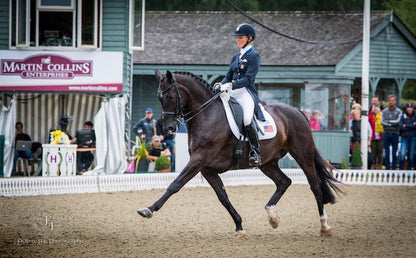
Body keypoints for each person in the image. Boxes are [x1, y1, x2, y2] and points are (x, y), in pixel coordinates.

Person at [218, 23, 263, 167]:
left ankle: (255, 151)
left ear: (249, 38)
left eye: (241, 37)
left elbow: (249, 79)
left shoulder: (253, 56)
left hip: (245, 92)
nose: (238, 40)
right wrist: (221, 84)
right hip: (231, 91)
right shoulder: (235, 56)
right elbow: (228, 75)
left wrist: (231, 85)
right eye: (237, 37)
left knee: (247, 119)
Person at [381, 95, 402, 170]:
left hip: (395, 133)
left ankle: (393, 168)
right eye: (390, 100)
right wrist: (392, 122)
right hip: (386, 132)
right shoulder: (384, 111)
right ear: (388, 101)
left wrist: (388, 121)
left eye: (393, 100)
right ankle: (387, 168)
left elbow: (398, 122)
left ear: (395, 101)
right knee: (386, 152)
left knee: (394, 153)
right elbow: (382, 122)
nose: (391, 102)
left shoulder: (399, 111)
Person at [398, 103, 416, 170]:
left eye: (410, 107)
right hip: (404, 137)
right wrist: (411, 125)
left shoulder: (415, 116)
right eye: (408, 107)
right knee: (402, 154)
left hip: (413, 137)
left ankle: (409, 170)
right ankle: (400, 170)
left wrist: (406, 125)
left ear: (412, 108)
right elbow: (400, 126)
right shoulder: (403, 116)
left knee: (411, 155)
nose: (409, 109)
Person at [368, 104, 384, 169]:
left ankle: (380, 166)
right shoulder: (370, 116)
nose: (376, 109)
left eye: (377, 108)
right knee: (373, 153)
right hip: (373, 137)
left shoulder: (381, 116)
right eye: (375, 108)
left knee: (380, 153)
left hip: (380, 137)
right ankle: (373, 166)